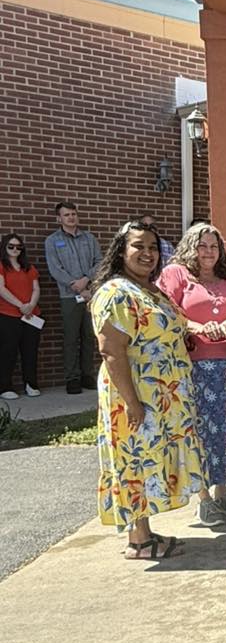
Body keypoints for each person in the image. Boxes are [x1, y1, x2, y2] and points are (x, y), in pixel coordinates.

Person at [90, 220, 204, 559]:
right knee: (134, 460)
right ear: (122, 250)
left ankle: (146, 532)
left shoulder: (151, 290)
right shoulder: (115, 293)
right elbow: (112, 350)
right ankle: (139, 541)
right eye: (139, 246)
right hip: (134, 396)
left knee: (149, 460)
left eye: (153, 248)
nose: (148, 254)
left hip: (161, 397)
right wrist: (132, 402)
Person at [158, 223, 226, 527]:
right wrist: (196, 327)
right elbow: (164, 310)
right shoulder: (176, 274)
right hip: (193, 367)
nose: (208, 252)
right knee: (200, 433)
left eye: (213, 246)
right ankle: (204, 499)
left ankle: (224, 492)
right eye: (202, 246)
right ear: (190, 247)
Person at [45, 200, 102, 394]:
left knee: (89, 336)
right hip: (68, 296)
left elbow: (100, 263)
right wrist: (75, 285)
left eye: (73, 214)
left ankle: (87, 375)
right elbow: (55, 269)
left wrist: (86, 280)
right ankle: (72, 378)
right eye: (67, 214)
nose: (71, 217)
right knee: (71, 337)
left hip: (90, 295)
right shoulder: (52, 241)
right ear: (58, 218)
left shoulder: (89, 238)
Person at [0, 233, 42, 400]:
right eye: (11, 246)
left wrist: (31, 305)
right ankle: (4, 387)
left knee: (30, 351)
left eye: (19, 246)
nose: (15, 249)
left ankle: (31, 384)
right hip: (7, 314)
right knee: (8, 351)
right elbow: (1, 289)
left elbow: (36, 288)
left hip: (31, 315)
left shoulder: (28, 267)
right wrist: (21, 305)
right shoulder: (1, 266)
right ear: (4, 247)